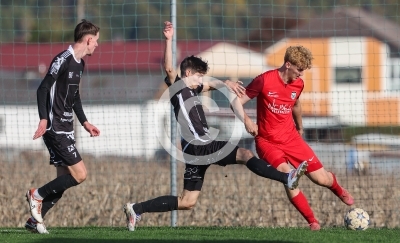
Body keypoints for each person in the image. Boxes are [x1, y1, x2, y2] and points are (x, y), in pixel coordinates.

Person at [122, 21, 308, 231]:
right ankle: (287, 177)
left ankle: (136, 209)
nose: (202, 79)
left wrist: (225, 83)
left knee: (187, 201)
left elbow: (210, 83)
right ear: (187, 73)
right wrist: (168, 40)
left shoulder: (194, 89)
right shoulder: (177, 87)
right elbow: (168, 67)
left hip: (193, 151)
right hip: (199, 145)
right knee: (245, 154)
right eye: (198, 75)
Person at [234, 46, 354, 230]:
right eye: (299, 69)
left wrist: (300, 126)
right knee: (288, 176)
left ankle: (338, 189)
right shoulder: (264, 80)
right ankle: (312, 221)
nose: (301, 74)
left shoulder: (298, 84)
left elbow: (295, 105)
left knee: (321, 179)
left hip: (291, 139)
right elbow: (236, 102)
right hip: (267, 142)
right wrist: (248, 121)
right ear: (287, 64)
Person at [25, 19, 101, 234]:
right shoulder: (63, 59)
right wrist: (43, 118)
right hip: (55, 128)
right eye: (96, 41)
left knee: (63, 181)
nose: (97, 45)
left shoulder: (80, 64)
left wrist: (85, 122)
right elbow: (42, 89)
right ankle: (36, 195)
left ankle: (34, 221)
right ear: (87, 40)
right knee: (80, 175)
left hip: (66, 127)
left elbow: (74, 96)